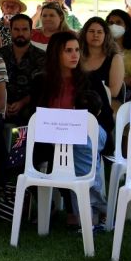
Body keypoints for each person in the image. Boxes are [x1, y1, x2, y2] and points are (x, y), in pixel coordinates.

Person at [28, 31, 113, 225]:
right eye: (68, 51)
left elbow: (108, 120)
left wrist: (80, 122)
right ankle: (91, 208)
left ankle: (83, 209)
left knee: (79, 142)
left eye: (77, 50)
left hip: (91, 135)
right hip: (52, 139)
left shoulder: (90, 79)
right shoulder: (41, 82)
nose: (75, 55)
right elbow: (34, 115)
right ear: (55, 54)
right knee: (66, 148)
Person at [0, 14, 46, 126]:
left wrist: (22, 103)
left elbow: (42, 89)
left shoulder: (42, 57)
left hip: (30, 109)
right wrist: (3, 103)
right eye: (16, 29)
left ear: (31, 31)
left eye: (24, 29)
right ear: (10, 31)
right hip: (1, 106)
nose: (20, 33)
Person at [79, 17, 123, 104]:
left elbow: (114, 92)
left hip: (106, 104)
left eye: (100, 32)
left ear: (105, 35)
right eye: (91, 31)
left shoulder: (115, 58)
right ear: (84, 34)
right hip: (79, 103)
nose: (95, 35)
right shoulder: (77, 56)